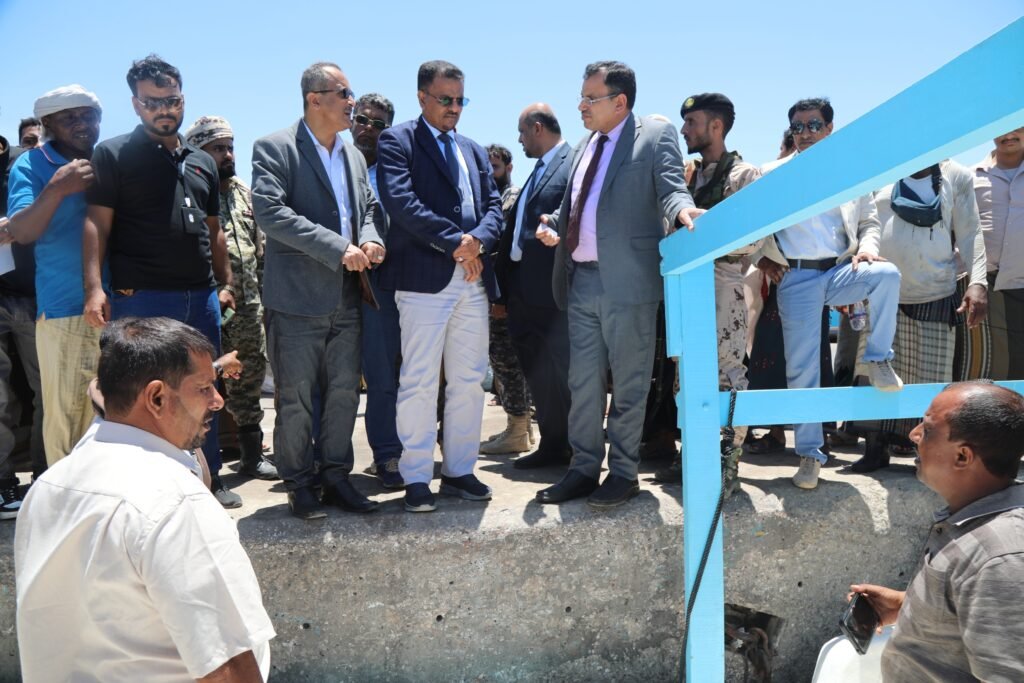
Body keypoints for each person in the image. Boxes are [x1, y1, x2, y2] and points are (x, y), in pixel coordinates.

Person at [14, 317, 275, 682]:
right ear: (156, 398)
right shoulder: (175, 503)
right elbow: (225, 666)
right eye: (204, 388)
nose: (217, 401)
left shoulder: (51, 485)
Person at [533, 61, 700, 508]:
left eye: (591, 98)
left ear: (620, 102)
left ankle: (624, 473)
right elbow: (579, 203)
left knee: (629, 384)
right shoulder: (586, 144)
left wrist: (682, 211)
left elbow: (670, 188)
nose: (581, 106)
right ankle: (583, 469)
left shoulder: (655, 135)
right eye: (582, 97)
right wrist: (554, 223)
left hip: (629, 283)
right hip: (581, 280)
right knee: (583, 384)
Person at [82, 54, 240, 507]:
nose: (163, 109)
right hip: (142, 298)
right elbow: (96, 224)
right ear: (136, 105)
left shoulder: (202, 161)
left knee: (203, 389)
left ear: (182, 99)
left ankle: (208, 480)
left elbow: (215, 230)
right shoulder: (113, 154)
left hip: (201, 296)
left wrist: (225, 283)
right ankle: (147, 488)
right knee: (143, 395)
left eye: (170, 100)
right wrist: (94, 288)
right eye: (152, 102)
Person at [252, 62, 385, 519]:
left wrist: (371, 238)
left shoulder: (353, 155)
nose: (353, 102)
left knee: (345, 393)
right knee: (295, 398)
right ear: (314, 99)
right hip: (296, 300)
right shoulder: (275, 147)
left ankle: (336, 477)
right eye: (344, 92)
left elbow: (369, 207)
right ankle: (299, 483)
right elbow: (271, 213)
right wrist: (338, 247)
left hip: (347, 296)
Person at [751, 97, 903, 490]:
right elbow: (747, 228)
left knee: (886, 274)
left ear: (830, 128)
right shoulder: (771, 173)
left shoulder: (850, 171)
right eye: (798, 127)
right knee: (802, 371)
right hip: (796, 277)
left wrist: (868, 248)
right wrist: (761, 259)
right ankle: (809, 454)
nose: (805, 133)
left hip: (839, 270)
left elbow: (869, 222)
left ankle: (879, 359)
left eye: (814, 125)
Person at [377, 60, 503, 513]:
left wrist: (478, 242)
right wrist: (457, 244)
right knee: (419, 379)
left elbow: (494, 207)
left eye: (460, 100)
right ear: (421, 97)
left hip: (472, 278)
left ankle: (459, 471)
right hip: (424, 279)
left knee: (469, 380)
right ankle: (415, 477)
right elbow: (401, 201)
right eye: (445, 99)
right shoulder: (398, 141)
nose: (454, 107)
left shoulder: (473, 150)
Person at [849, 381, 1024, 681]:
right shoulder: (970, 519)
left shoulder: (999, 559)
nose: (913, 435)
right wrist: (909, 605)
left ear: (962, 457)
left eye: (928, 430)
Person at [848, 161, 987, 472]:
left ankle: (926, 457)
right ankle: (874, 450)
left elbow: (971, 232)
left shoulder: (956, 176)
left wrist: (978, 282)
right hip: (879, 291)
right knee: (872, 374)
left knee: (932, 383)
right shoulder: (879, 171)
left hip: (934, 291)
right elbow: (862, 225)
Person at [654, 93, 761, 495]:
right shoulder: (688, 176)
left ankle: (728, 460)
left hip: (722, 286)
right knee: (685, 375)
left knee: (728, 374)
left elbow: (755, 238)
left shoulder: (743, 175)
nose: (684, 130)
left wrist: (705, 234)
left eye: (692, 122)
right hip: (685, 286)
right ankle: (695, 454)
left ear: (716, 126)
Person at [6, 85, 105, 474]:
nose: (82, 124)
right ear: (48, 123)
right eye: (70, 117)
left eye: (89, 115)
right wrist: (59, 188)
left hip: (123, 305)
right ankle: (64, 502)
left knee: (115, 419)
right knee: (67, 422)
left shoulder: (109, 159)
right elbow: (22, 230)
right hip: (65, 309)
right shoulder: (31, 164)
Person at [185, 116, 278, 481]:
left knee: (249, 377)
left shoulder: (243, 192)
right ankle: (203, 466)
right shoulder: (190, 189)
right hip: (206, 303)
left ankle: (251, 455)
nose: (227, 155)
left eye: (229, 147)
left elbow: (260, 249)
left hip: (248, 305)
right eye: (217, 148)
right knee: (200, 378)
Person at [494, 103, 573, 470]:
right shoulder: (537, 172)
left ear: (538, 128)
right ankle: (553, 445)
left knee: (564, 374)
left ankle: (576, 449)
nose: (520, 140)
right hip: (524, 294)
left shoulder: (572, 164)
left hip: (553, 294)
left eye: (522, 132)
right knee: (539, 375)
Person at [350, 93, 405, 489]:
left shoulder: (397, 173)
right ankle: (326, 463)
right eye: (362, 120)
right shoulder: (333, 164)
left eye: (379, 124)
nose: (369, 129)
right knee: (330, 382)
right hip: (330, 285)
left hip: (379, 288)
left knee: (383, 377)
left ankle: (388, 455)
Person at [481, 142, 535, 455]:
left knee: (505, 360)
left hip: (503, 292)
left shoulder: (509, 197)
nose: (490, 173)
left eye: (495, 167)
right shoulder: (491, 197)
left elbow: (500, 246)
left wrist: (499, 296)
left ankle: (517, 429)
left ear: (509, 168)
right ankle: (523, 429)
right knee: (509, 360)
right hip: (500, 291)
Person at [960, 127, 1024, 381]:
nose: (1009, 135)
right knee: (991, 368)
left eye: (1017, 127)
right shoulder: (970, 176)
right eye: (1002, 129)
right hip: (986, 287)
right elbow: (960, 229)